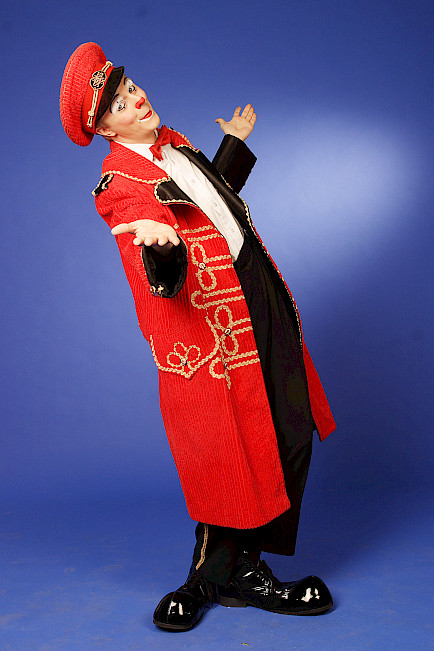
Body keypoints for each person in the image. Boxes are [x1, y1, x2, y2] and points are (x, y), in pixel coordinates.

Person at [60, 42, 337, 632]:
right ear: (104, 127)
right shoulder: (118, 186)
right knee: (228, 448)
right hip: (209, 325)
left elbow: (208, 202)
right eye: (120, 102)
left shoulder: (176, 143)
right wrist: (162, 252)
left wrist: (232, 147)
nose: (137, 98)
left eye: (130, 87)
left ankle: (238, 568)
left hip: (255, 289)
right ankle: (220, 575)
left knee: (288, 426)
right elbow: (155, 260)